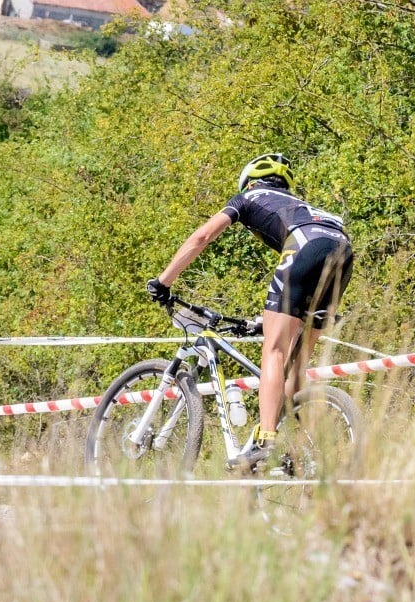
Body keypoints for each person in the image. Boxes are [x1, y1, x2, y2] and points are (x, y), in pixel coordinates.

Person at [147, 153, 353, 471]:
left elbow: (202, 236)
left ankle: (266, 440)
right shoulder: (302, 207)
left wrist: (164, 281)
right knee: (295, 365)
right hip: (342, 248)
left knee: (273, 351)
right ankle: (297, 452)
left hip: (304, 245)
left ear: (251, 181)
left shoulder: (247, 197)